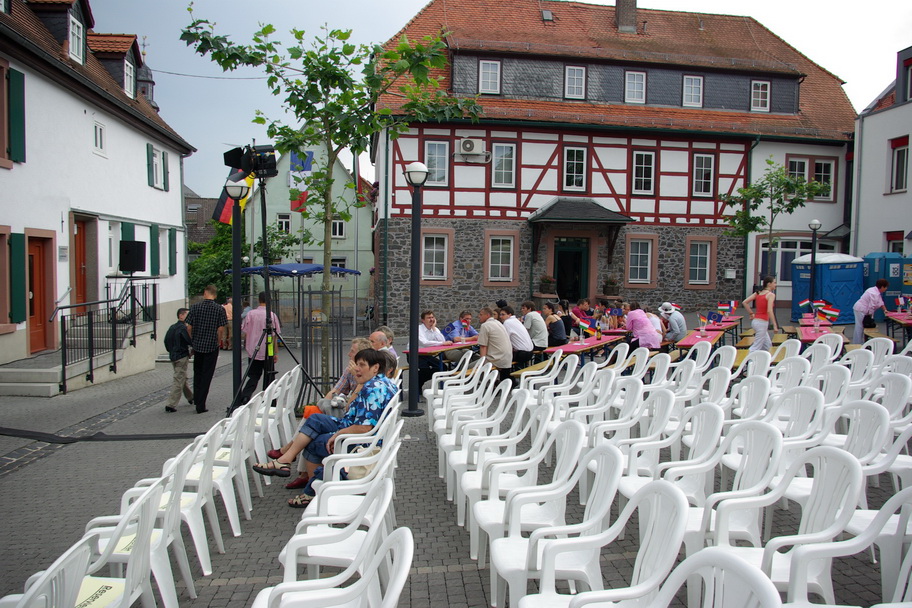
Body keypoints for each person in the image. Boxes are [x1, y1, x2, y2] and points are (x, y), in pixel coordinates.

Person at [251, 349, 398, 508]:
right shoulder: (384, 383)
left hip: (362, 442)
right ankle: (287, 460)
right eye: (356, 364)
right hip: (358, 430)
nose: (356, 369)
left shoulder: (372, 389)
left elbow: (364, 428)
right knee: (315, 419)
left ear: (375, 368)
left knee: (313, 443)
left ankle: (312, 492)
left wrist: (338, 434)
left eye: (362, 365)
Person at [274, 337, 371, 490]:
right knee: (313, 415)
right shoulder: (350, 371)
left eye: (352, 351)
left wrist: (358, 381)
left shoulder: (368, 379)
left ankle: (296, 465)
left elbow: (350, 408)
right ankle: (294, 463)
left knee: (312, 429)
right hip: (344, 416)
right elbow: (335, 390)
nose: (348, 354)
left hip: (348, 421)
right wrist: (324, 403)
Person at [185, 284, 227, 414]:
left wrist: (193, 340)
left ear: (205, 293)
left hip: (198, 345)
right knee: (207, 375)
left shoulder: (195, 307)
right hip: (211, 346)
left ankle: (197, 398)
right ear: (215, 295)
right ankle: (201, 404)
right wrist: (218, 341)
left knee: (197, 373)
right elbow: (220, 329)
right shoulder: (219, 309)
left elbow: (188, 327)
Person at [239, 292, 282, 405]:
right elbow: (274, 335)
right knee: (269, 376)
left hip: (253, 350)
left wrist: (248, 343)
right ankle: (270, 401)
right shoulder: (272, 315)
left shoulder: (250, 314)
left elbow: (245, 331)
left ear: (259, 300)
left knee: (253, 376)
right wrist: (275, 352)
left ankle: (245, 396)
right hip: (268, 351)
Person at [163, 307, 193, 413]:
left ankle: (190, 397)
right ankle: (171, 404)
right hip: (181, 356)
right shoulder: (183, 328)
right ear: (181, 316)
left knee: (181, 377)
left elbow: (166, 341)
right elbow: (189, 340)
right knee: (179, 379)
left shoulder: (172, 327)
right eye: (187, 315)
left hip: (173, 356)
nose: (189, 317)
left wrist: (171, 351)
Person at [742, 276, 779, 352]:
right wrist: (775, 325)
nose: (776, 284)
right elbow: (769, 310)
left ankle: (768, 358)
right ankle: (747, 358)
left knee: (767, 345)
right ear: (769, 284)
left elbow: (745, 302)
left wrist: (751, 313)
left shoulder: (758, 293)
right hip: (762, 322)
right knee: (756, 346)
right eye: (774, 283)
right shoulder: (770, 295)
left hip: (756, 321)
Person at [417, 310, 451, 387]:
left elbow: (442, 341)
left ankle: (417, 382)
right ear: (423, 320)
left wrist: (434, 328)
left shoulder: (435, 329)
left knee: (443, 367)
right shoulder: (418, 329)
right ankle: (417, 385)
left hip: (428, 354)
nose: (431, 319)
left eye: (432, 317)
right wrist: (442, 343)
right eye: (429, 318)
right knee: (425, 369)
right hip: (415, 354)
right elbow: (424, 343)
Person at [477, 306, 513, 379]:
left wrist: (481, 364)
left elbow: (483, 347)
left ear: (487, 315)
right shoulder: (498, 323)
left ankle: (484, 384)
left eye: (481, 314)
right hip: (508, 357)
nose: (478, 316)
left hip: (497, 359)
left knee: (469, 367)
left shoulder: (485, 325)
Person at [852, 278, 889, 344]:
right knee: (860, 327)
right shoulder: (874, 293)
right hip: (861, 309)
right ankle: (857, 343)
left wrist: (885, 310)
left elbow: (881, 302)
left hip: (862, 309)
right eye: (885, 287)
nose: (886, 289)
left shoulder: (875, 291)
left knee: (861, 326)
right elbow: (872, 306)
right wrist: (870, 318)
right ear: (882, 287)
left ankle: (861, 343)